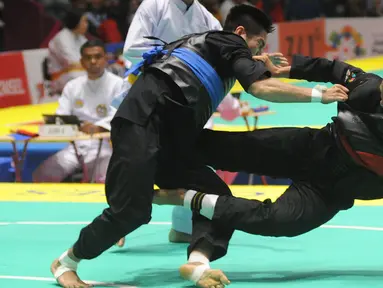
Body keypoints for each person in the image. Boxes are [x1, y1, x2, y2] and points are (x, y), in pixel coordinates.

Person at [50, 6, 348, 288]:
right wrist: (318, 94)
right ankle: (66, 262)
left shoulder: (218, 52)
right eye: (259, 44)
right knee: (132, 212)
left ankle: (198, 263)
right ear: (241, 33)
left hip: (172, 139)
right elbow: (259, 88)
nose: (259, 53)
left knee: (218, 198)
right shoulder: (227, 41)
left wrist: (261, 65)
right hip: (142, 122)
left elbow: (246, 79)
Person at [156, 54, 383, 286]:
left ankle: (187, 198)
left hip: (329, 193)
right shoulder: (366, 85)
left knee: (278, 220)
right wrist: (280, 71)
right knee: (224, 148)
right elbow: (330, 68)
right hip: (310, 149)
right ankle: (145, 152)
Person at [119, 0, 253, 244]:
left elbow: (219, 61)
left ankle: (182, 227)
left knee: (190, 164)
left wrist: (233, 102)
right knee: (141, 162)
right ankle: (121, 218)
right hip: (149, 97)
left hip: (187, 103)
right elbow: (132, 48)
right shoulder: (154, 6)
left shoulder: (207, 19)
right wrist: (181, 58)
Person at [33, 40, 124, 183]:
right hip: (75, 146)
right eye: (88, 58)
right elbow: (61, 115)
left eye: (97, 57)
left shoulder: (118, 84)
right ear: (81, 61)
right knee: (43, 174)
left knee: (103, 180)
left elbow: (119, 115)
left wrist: (98, 127)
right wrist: (69, 125)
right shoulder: (72, 86)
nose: (93, 61)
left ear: (106, 59)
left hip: (104, 145)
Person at [47, 9, 89, 96]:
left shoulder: (81, 37)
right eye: (84, 21)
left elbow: (89, 56)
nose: (86, 25)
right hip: (62, 76)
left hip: (80, 71)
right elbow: (71, 62)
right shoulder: (62, 38)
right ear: (76, 22)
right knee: (84, 78)